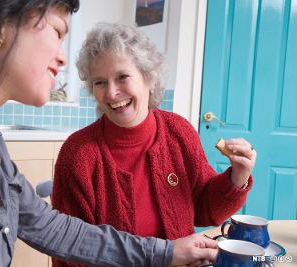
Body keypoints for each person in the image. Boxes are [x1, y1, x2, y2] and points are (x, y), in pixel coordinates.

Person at [0, 1, 219, 267]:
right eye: (57, 31)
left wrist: (167, 253)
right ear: (1, 25)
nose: (63, 56)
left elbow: (52, 228)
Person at [52, 22, 257, 267]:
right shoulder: (78, 154)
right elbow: (70, 250)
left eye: (122, 77)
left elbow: (204, 209)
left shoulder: (178, 131)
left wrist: (238, 176)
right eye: (100, 82)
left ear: (148, 78)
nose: (112, 92)